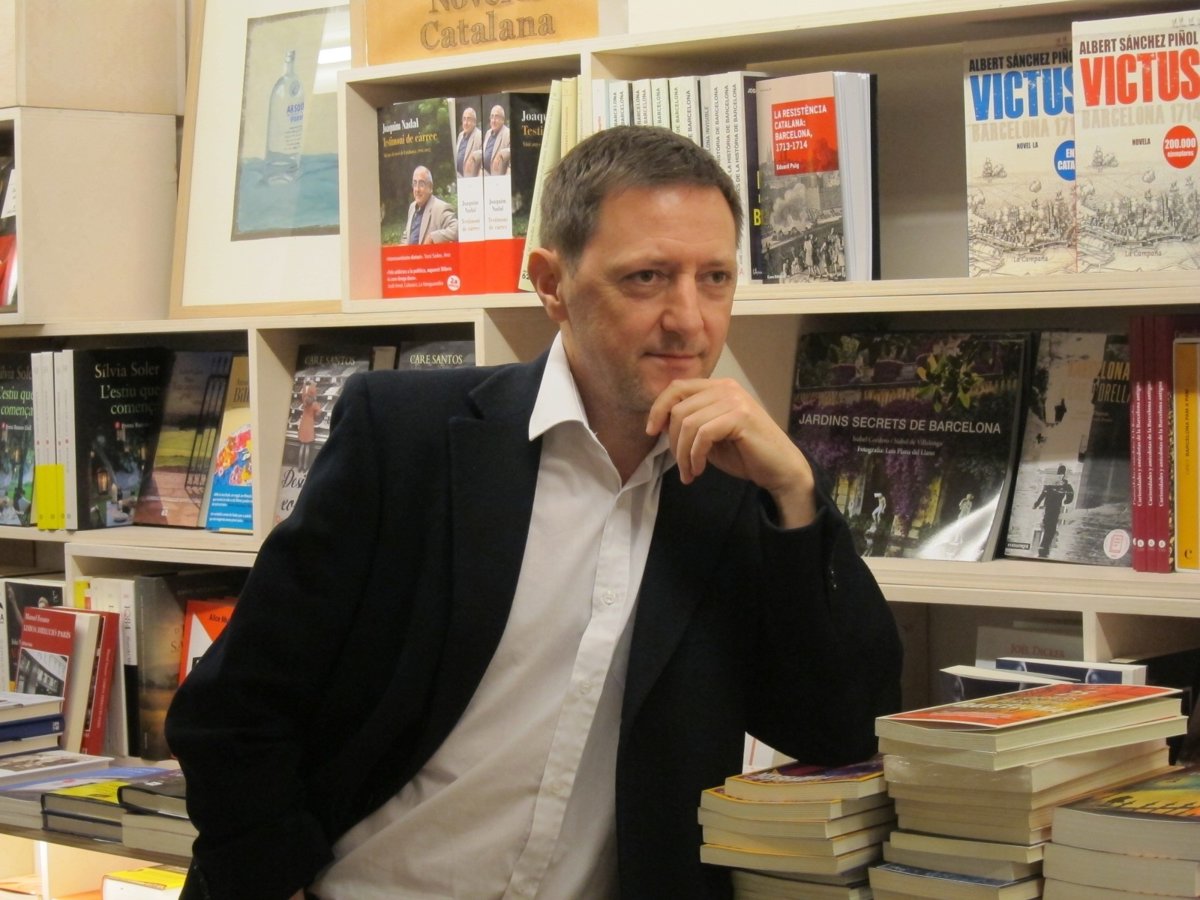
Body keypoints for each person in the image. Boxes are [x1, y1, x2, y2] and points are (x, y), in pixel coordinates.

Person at [166, 125, 903, 900]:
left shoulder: (740, 489)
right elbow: (234, 711)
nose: (690, 319)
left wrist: (796, 495)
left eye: (714, 278)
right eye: (647, 277)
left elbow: (844, 729)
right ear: (552, 284)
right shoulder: (407, 437)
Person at [400, 165, 458, 245]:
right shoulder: (412, 207)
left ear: (430, 187)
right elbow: (406, 236)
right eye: (415, 183)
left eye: (421, 184)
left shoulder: (441, 208)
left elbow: (457, 230)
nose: (417, 189)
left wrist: (432, 237)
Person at [1033, 464, 1075, 558]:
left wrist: (1037, 503)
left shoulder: (1052, 483)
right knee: (1050, 529)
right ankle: (1044, 550)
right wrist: (1067, 500)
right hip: (1054, 508)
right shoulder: (1064, 484)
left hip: (1050, 508)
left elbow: (1043, 494)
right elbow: (1070, 495)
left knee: (1048, 528)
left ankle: (1043, 549)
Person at [481, 103, 511, 175]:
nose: (493, 120)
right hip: (485, 175)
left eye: (496, 117)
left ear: (503, 119)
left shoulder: (508, 133)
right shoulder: (488, 133)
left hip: (497, 177)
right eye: (492, 117)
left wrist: (501, 154)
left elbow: (514, 151)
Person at [455, 105, 482, 177]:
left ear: (474, 122)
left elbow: (484, 154)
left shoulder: (479, 135)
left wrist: (473, 156)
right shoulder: (460, 135)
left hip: (470, 179)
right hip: (458, 177)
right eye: (464, 119)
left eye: (468, 119)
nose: (465, 123)